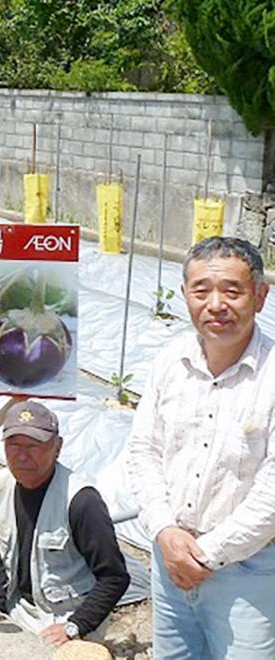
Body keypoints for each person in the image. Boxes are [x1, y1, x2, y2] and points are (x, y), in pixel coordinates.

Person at [128, 236, 275, 658]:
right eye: (201, 290)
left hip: (248, 569)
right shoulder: (169, 362)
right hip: (170, 558)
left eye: (232, 290)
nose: (216, 304)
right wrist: (165, 532)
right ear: (185, 295)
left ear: (260, 297)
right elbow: (144, 450)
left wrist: (204, 554)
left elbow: (271, 491)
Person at [0, 400, 130, 646]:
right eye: (13, 444)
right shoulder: (0, 485)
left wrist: (76, 626)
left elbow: (114, 578)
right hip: (17, 602)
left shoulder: (80, 500)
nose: (22, 455)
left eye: (33, 445)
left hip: (61, 617)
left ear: (57, 447)